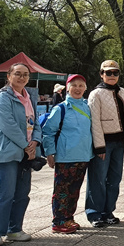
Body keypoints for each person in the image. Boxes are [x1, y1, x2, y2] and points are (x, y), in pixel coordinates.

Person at [0, 63, 41, 246]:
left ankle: (14, 229)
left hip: (27, 152)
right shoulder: (3, 97)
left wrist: (35, 141)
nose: (22, 77)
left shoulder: (29, 96)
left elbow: (36, 122)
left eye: (25, 74)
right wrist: (26, 146)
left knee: (22, 193)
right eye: (18, 74)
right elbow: (8, 125)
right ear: (9, 76)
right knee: (5, 193)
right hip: (7, 152)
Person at [43, 74, 93, 234]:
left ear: (85, 88)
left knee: (75, 190)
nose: (78, 89)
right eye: (74, 86)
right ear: (68, 88)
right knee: (62, 190)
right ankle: (58, 221)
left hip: (83, 155)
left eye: (81, 86)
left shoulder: (87, 107)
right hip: (65, 157)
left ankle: (69, 218)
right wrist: (50, 153)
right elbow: (48, 131)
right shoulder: (61, 108)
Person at [86, 60, 124, 228]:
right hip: (104, 142)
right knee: (98, 179)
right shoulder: (95, 94)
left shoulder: (123, 92)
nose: (112, 75)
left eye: (115, 73)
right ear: (101, 74)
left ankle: (108, 211)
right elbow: (95, 122)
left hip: (119, 142)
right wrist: (99, 146)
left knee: (114, 179)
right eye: (108, 73)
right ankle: (94, 213)